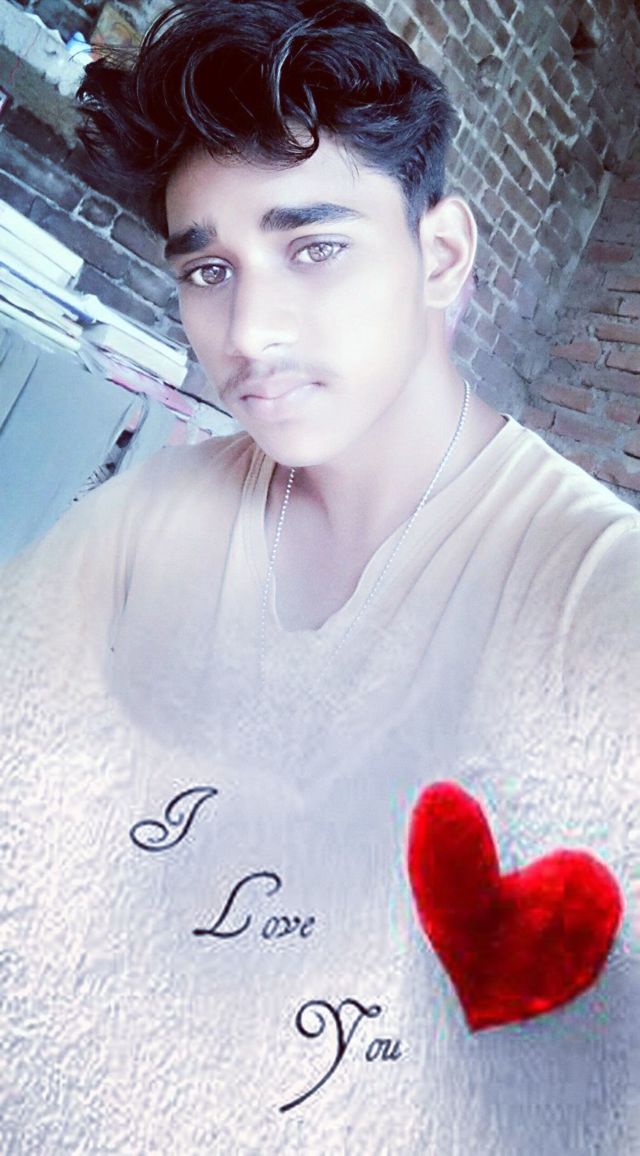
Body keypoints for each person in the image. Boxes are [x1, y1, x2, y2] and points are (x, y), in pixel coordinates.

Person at [1, 2, 638, 1152]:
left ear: (439, 258)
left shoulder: (595, 601)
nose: (250, 331)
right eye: (209, 267)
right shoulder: (145, 518)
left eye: (313, 248)